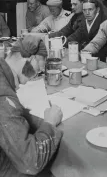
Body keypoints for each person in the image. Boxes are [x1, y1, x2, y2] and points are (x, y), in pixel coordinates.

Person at [0, 34, 63, 176]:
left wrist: (33, 120)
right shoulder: (4, 97)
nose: (34, 75)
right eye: (37, 70)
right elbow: (31, 162)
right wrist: (49, 124)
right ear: (31, 58)